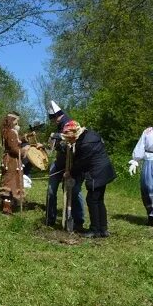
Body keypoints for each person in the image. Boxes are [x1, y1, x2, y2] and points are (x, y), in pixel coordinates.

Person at [62, 120, 116, 238]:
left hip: (97, 172)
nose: (69, 140)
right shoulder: (90, 134)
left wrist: (69, 173)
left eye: (69, 137)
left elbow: (81, 163)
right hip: (105, 170)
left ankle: (95, 230)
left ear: (75, 133)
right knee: (99, 200)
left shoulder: (85, 144)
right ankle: (103, 229)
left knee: (92, 200)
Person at [44, 101, 85, 231]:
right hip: (59, 163)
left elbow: (70, 138)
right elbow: (57, 146)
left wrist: (58, 138)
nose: (53, 121)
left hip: (72, 164)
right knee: (51, 190)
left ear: (57, 116)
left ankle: (78, 220)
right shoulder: (58, 126)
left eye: (53, 119)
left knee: (74, 191)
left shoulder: (70, 124)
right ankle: (50, 218)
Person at [0, 112, 26, 214]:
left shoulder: (9, 132)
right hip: (12, 161)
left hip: (10, 160)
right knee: (10, 182)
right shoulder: (11, 132)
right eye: (16, 121)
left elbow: (14, 142)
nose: (18, 123)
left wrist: (23, 138)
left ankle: (10, 204)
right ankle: (7, 207)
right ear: (12, 121)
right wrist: (24, 152)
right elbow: (13, 148)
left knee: (11, 181)